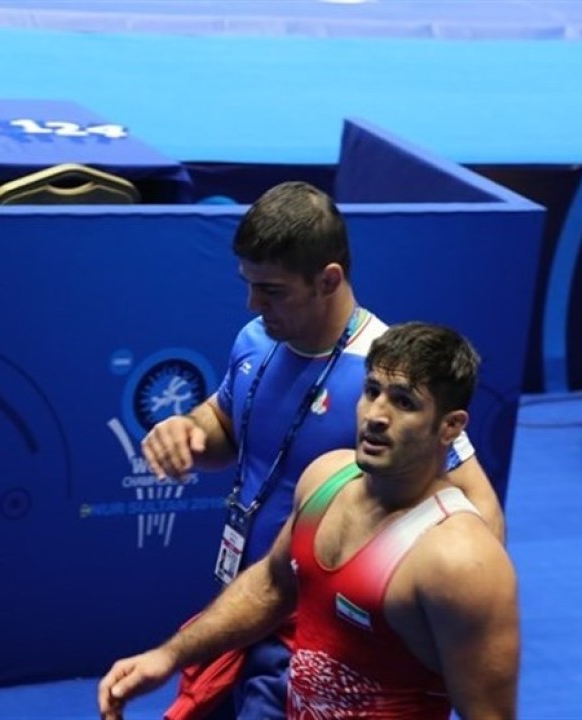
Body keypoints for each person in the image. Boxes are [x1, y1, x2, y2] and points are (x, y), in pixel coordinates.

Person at [140, 181, 504, 719]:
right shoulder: (255, 340)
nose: (253, 303)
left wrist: (413, 628)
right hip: (244, 602)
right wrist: (189, 430)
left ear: (329, 279)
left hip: (312, 635)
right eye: (249, 285)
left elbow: (480, 511)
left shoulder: (386, 379)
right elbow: (228, 427)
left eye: (272, 290)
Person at [99, 322, 520, 720]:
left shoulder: (458, 559)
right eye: (372, 391)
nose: (376, 415)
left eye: (404, 402)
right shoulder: (326, 479)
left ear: (450, 427)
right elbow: (271, 586)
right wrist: (168, 656)